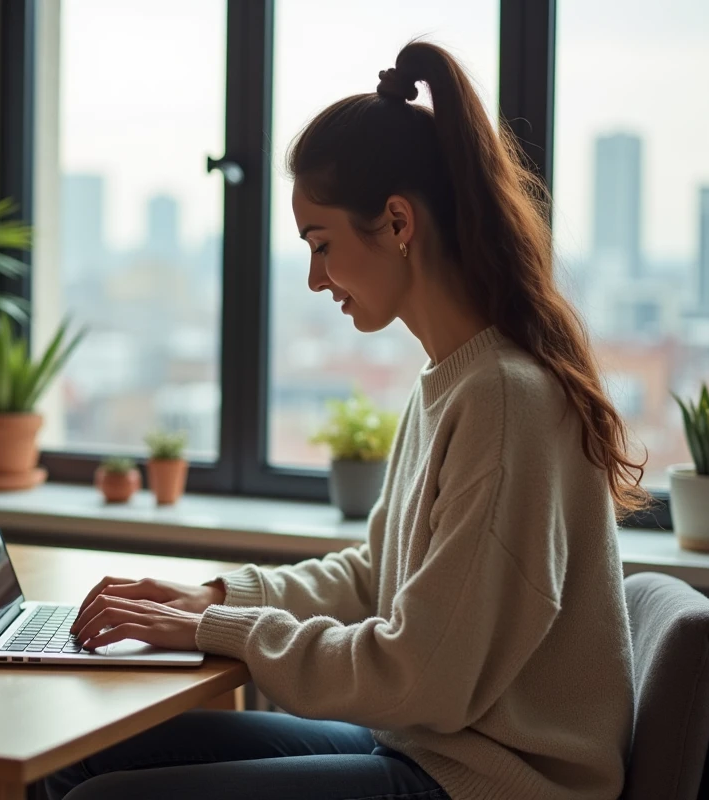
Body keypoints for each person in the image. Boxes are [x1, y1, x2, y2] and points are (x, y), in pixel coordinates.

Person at [47, 40, 646, 800]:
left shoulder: (503, 400)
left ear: (397, 222)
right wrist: (218, 599)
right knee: (87, 751)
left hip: (488, 783)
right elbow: (373, 580)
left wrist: (214, 634)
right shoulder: (454, 382)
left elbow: (422, 674)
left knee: (108, 798)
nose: (314, 277)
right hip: (429, 751)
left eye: (320, 244)